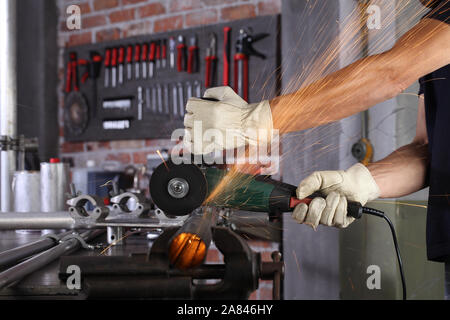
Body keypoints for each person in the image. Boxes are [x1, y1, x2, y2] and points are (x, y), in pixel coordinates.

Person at [183, 0, 450, 296]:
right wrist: (363, 182)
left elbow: (390, 73)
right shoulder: (434, 28)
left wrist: (256, 119)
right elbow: (427, 148)